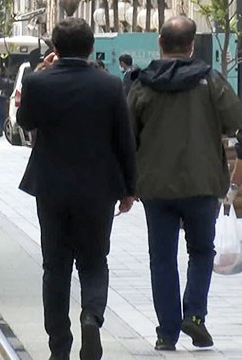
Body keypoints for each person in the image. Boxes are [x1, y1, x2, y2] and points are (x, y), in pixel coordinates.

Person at [16, 18, 137, 360]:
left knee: (55, 268)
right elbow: (124, 140)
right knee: (95, 261)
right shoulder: (111, 85)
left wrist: (40, 72)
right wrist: (129, 188)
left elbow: (25, 122)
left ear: (55, 47)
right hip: (98, 189)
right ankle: (91, 317)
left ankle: (59, 347)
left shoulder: (38, 82)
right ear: (90, 47)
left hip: (51, 187)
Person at [127, 16, 242, 351]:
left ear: (160, 42)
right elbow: (235, 120)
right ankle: (195, 315)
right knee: (202, 250)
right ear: (192, 46)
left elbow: (126, 132)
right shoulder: (212, 81)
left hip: (155, 185)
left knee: (161, 257)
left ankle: (166, 332)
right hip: (202, 182)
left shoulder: (142, 83)